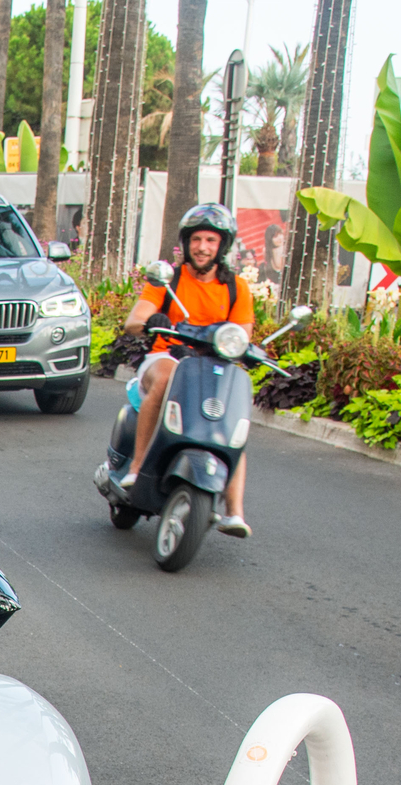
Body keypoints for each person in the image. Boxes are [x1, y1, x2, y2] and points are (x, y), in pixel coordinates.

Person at [119, 202, 253, 535]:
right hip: (166, 357)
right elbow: (133, 321)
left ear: (222, 245)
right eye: (196, 240)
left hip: (212, 365)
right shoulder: (169, 280)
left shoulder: (237, 288)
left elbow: (242, 336)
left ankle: (234, 511)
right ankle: (136, 469)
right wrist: (153, 320)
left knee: (234, 420)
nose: (203, 247)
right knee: (166, 378)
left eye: (210, 240)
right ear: (186, 243)